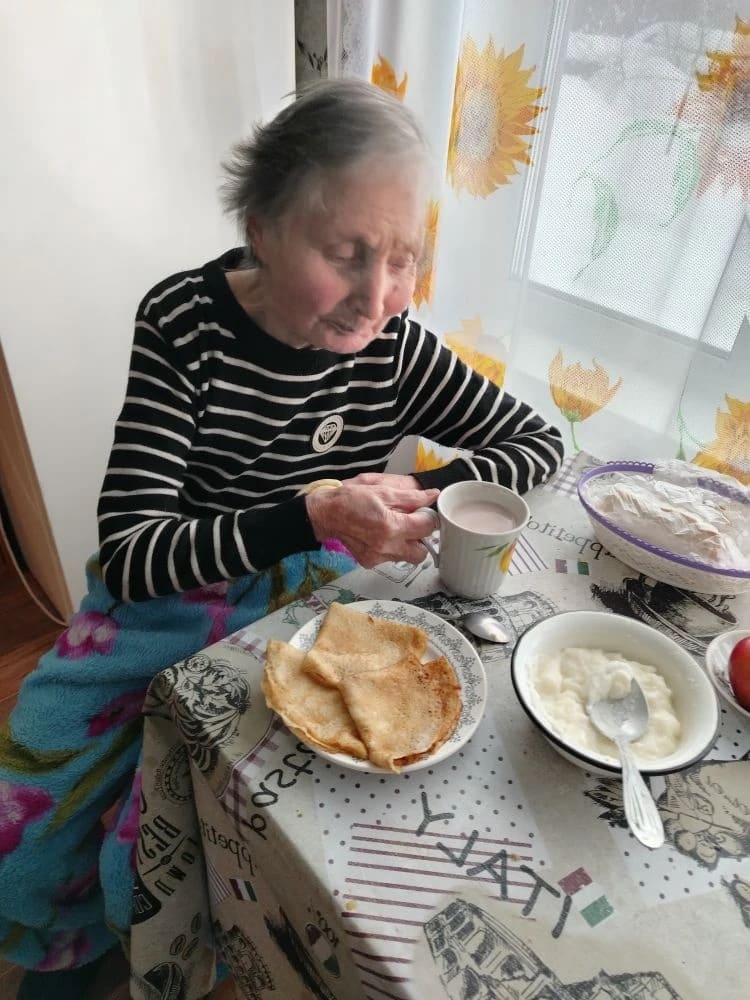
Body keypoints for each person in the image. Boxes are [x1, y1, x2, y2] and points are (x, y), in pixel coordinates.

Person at [0, 78, 564, 998]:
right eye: (347, 254)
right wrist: (312, 509)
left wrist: (413, 491)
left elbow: (538, 442)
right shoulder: (183, 324)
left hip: (309, 597)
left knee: (183, 825)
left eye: (404, 260)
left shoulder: (397, 346)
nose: (377, 297)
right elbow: (134, 552)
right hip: (175, 586)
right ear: (261, 226)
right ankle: (67, 952)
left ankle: (166, 937)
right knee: (29, 815)